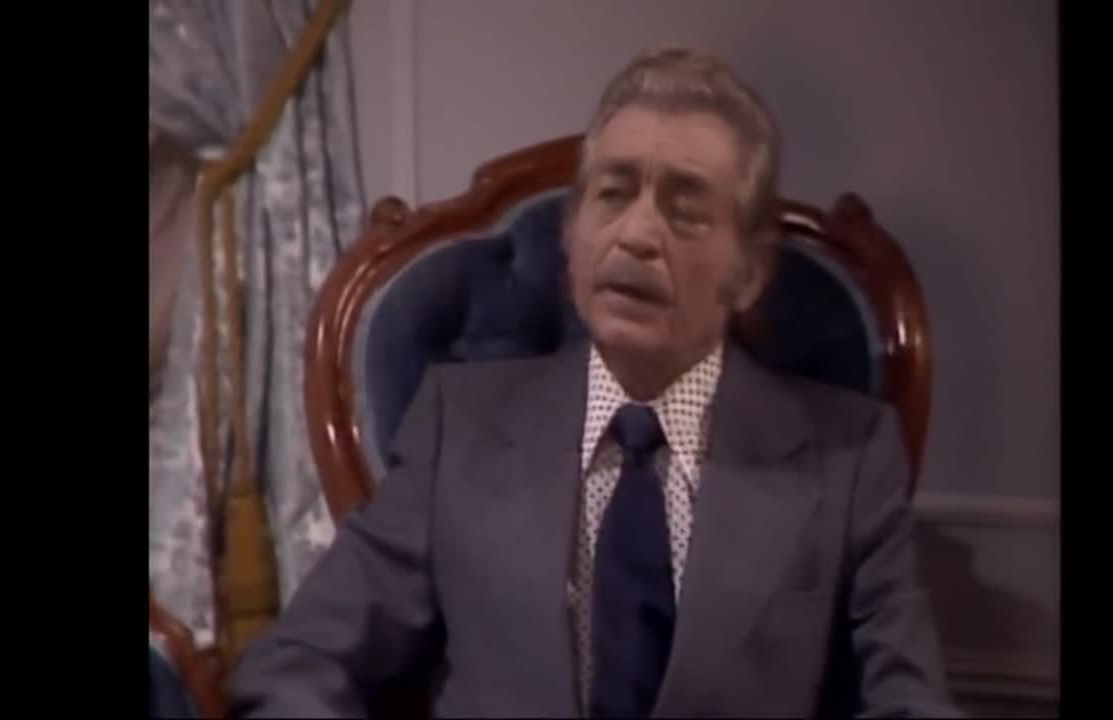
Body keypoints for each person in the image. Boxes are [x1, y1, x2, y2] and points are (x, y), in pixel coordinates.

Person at [231, 46, 960, 718]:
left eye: (685, 210)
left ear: (749, 272)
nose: (636, 235)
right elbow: (300, 662)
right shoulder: (460, 427)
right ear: (571, 238)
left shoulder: (849, 456)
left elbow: (910, 702)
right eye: (612, 195)